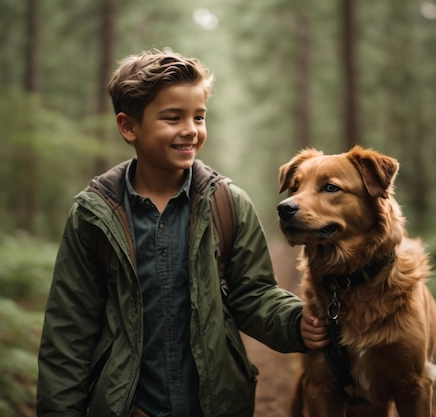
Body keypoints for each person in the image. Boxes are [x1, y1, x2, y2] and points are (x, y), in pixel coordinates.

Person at [36, 49, 328, 417]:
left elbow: (252, 293)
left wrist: (293, 321)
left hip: (213, 403)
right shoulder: (93, 215)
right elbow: (69, 328)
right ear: (129, 126)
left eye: (199, 117)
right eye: (173, 118)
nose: (190, 129)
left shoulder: (227, 204)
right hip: (128, 407)